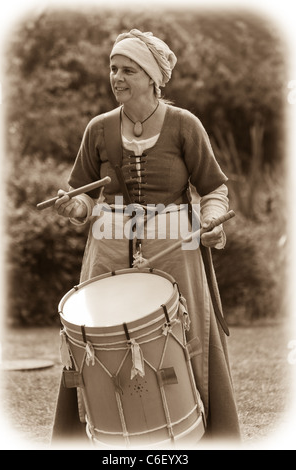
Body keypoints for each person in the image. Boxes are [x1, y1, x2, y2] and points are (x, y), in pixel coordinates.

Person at [51, 29, 240, 447]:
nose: (116, 76)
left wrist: (211, 221)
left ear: (153, 78)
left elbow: (214, 189)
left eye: (128, 70)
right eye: (113, 68)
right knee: (95, 340)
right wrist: (74, 208)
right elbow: (82, 196)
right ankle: (99, 432)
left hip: (176, 246)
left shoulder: (185, 125)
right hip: (110, 246)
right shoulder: (98, 129)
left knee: (186, 337)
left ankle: (196, 433)